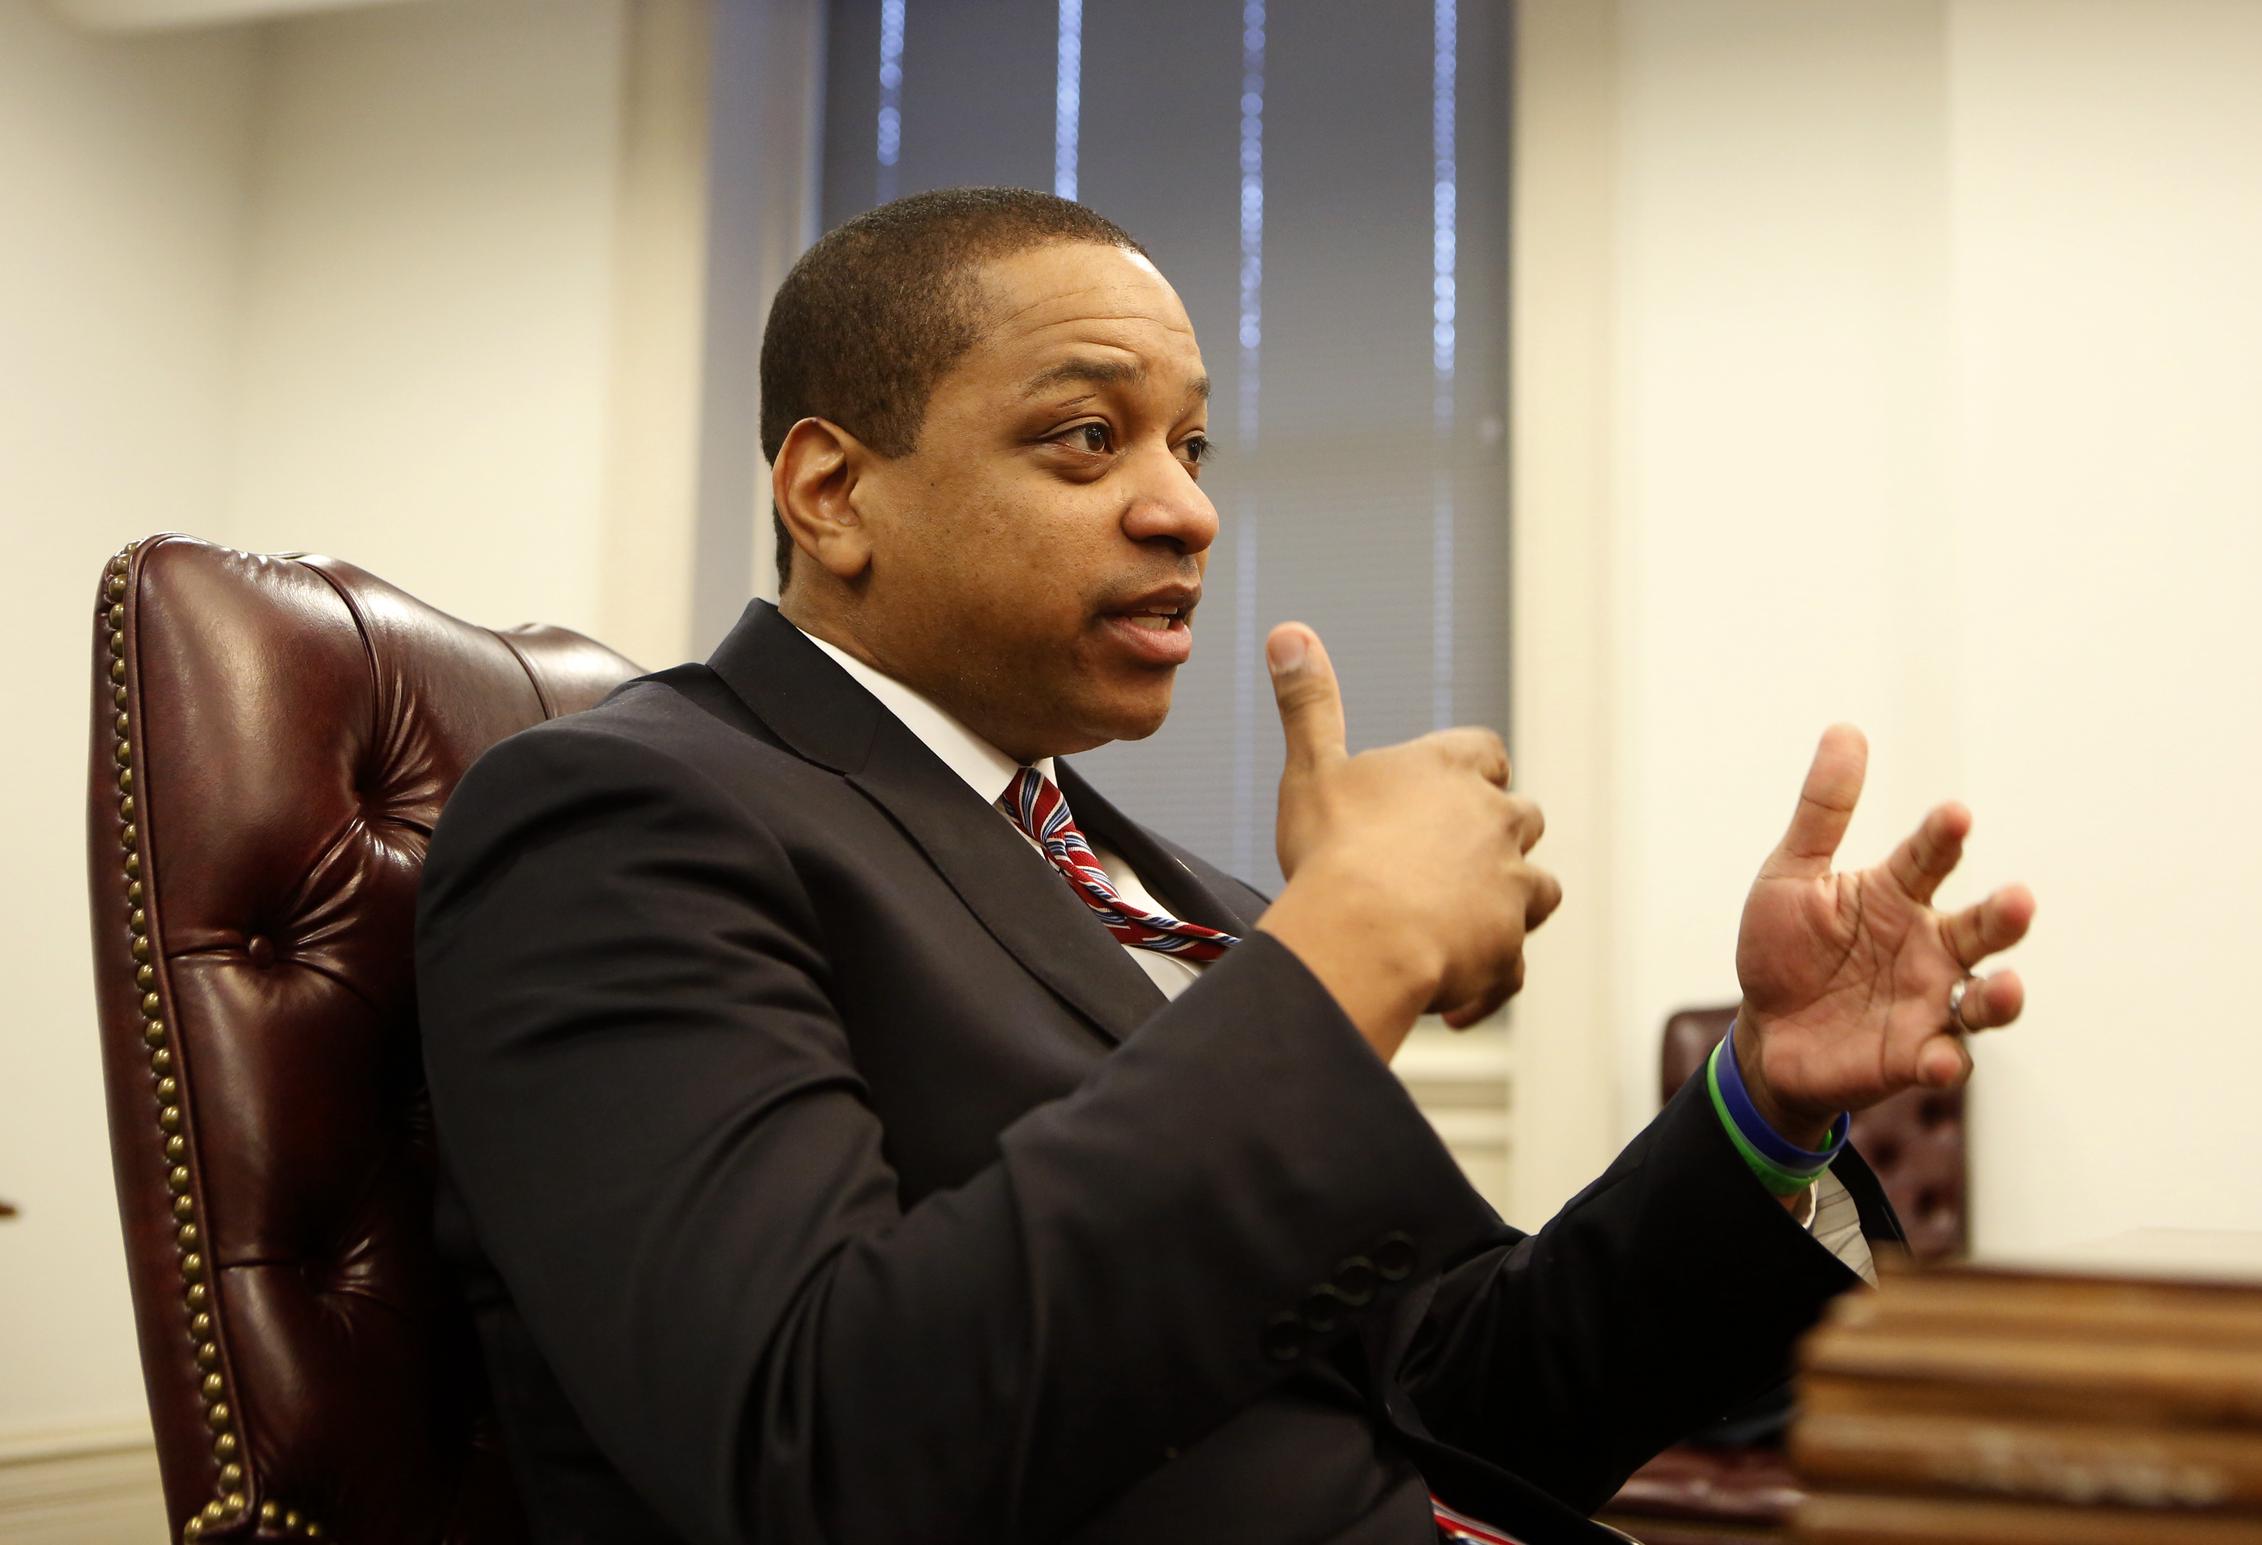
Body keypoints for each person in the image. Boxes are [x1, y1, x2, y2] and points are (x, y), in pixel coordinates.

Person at [416, 188, 2034, 1545]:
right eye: (1085, 439)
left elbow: (1473, 1402)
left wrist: (1762, 1108)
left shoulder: (1171, 890)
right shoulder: (621, 818)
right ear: (833, 492)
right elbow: (813, 1453)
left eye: (1190, 445)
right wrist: (1342, 958)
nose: (1184, 509)